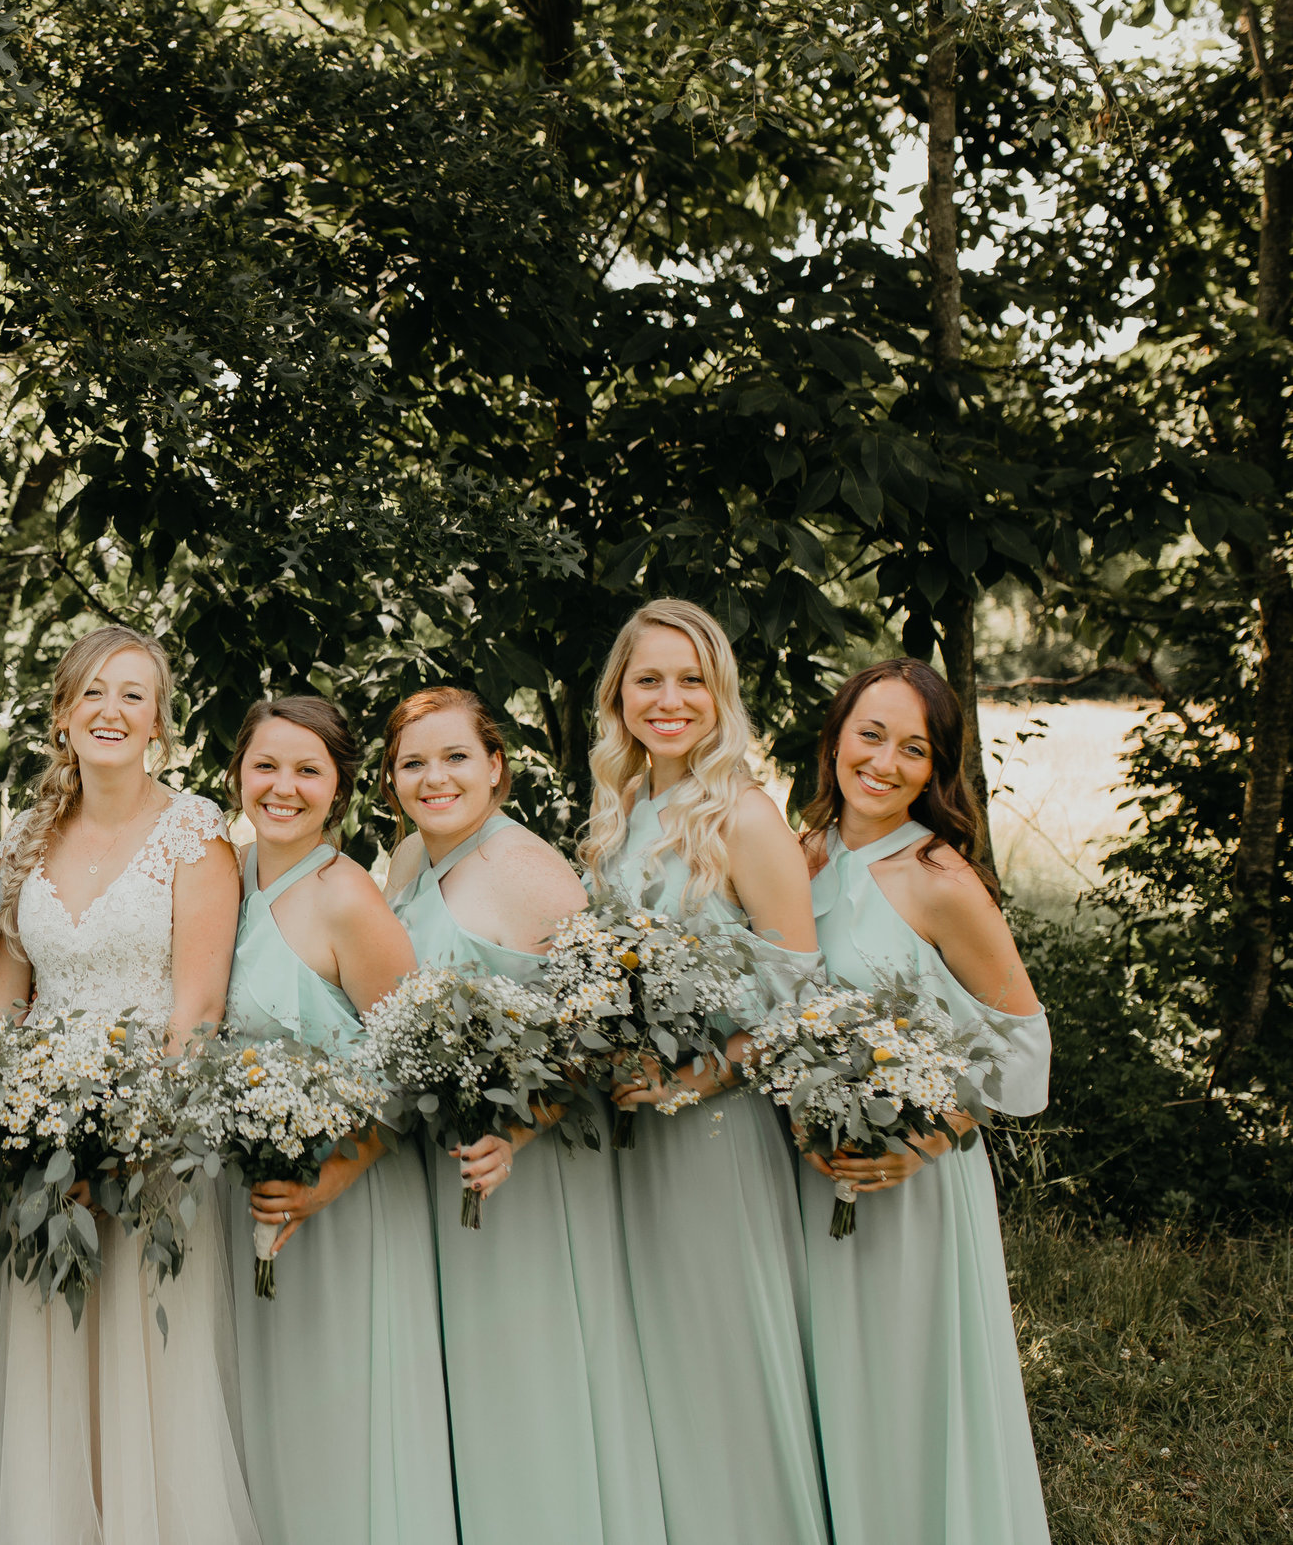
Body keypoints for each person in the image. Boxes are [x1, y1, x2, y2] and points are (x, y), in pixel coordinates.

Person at [0, 625, 259, 1545]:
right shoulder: (26, 836)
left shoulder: (196, 833)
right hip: (41, 1153)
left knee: (150, 1369)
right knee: (52, 1357)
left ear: (159, 723)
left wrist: (128, 1132)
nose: (111, 710)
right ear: (63, 715)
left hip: (154, 1146)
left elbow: (199, 1007)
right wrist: (33, 1125)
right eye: (93, 693)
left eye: (133, 695)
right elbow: (5, 1002)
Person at [381, 687, 667, 1543]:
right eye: (413, 762)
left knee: (528, 1383)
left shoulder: (526, 867)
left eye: (456, 756)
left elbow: (608, 1024)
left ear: (497, 765)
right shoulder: (403, 863)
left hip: (526, 1168)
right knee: (466, 1385)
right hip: (443, 1165)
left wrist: (520, 1128)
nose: (435, 777)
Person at [579, 598, 829, 1545]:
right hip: (631, 1133)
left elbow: (801, 992)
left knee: (726, 1355)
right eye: (649, 678)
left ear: (720, 694)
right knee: (661, 1363)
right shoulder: (621, 810)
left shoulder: (745, 815)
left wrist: (700, 1080)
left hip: (719, 1133)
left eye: (691, 679)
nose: (669, 698)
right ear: (620, 694)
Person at [794, 658, 1054, 1545]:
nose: (884, 761)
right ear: (835, 738)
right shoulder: (801, 854)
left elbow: (1022, 1045)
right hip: (803, 1176)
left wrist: (926, 1141)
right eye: (870, 734)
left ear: (935, 770)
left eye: (915, 748)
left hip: (912, 1185)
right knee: (828, 1392)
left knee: (907, 1395)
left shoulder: (941, 879)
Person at [222, 694, 454, 1545]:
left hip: (344, 1199)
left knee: (343, 1425)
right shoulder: (223, 877)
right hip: (242, 1194)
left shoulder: (348, 895)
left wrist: (330, 1178)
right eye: (266, 766)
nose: (283, 787)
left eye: (307, 770)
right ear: (236, 774)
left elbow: (412, 1067)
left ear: (340, 789)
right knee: (259, 1428)